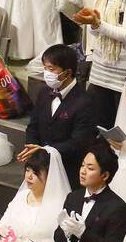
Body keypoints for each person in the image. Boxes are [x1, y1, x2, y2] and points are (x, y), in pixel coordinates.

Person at [53, 141, 126, 242]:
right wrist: (66, 231)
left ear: (105, 175)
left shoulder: (118, 207)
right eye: (82, 165)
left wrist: (83, 234)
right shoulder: (73, 197)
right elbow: (59, 241)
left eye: (90, 168)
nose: (83, 171)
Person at [23, 45, 99, 184]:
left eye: (51, 69)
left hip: (66, 169)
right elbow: (33, 125)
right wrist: (32, 148)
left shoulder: (84, 102)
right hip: (39, 165)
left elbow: (79, 142)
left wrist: (47, 151)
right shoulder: (43, 93)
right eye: (45, 68)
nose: (46, 73)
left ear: (67, 73)